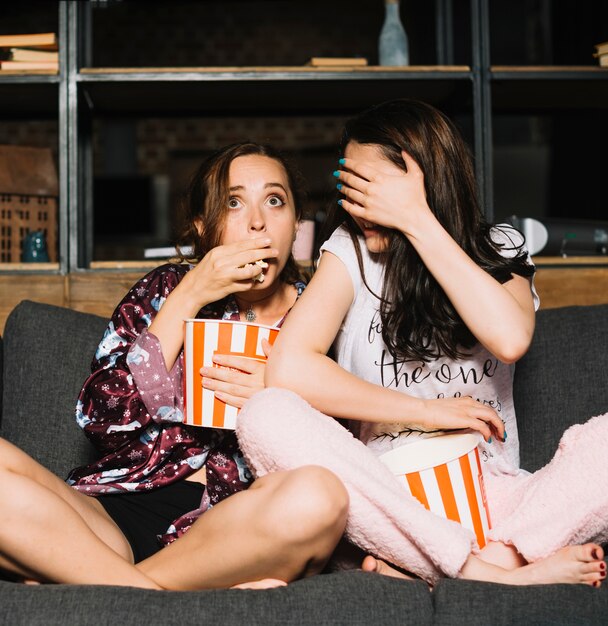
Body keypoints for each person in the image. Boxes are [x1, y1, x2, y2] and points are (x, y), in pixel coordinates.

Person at [234, 99, 608, 588]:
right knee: (265, 413)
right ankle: (482, 571)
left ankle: (491, 560)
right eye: (349, 187)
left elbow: (509, 338)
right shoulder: (349, 252)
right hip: (388, 505)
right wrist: (425, 412)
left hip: (494, 498)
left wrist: (418, 221)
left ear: (426, 182)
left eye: (372, 189)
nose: (357, 206)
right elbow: (288, 369)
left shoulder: (499, 247)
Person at [0, 142, 348, 590]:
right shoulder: (167, 289)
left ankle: (84, 579)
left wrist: (280, 396)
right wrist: (189, 295)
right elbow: (102, 420)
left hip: (228, 535)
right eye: (234, 202)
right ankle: (153, 594)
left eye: (275, 201)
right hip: (108, 518)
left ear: (297, 225)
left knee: (321, 498)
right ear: (205, 228)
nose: (257, 222)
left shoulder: (321, 312)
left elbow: (347, 457)